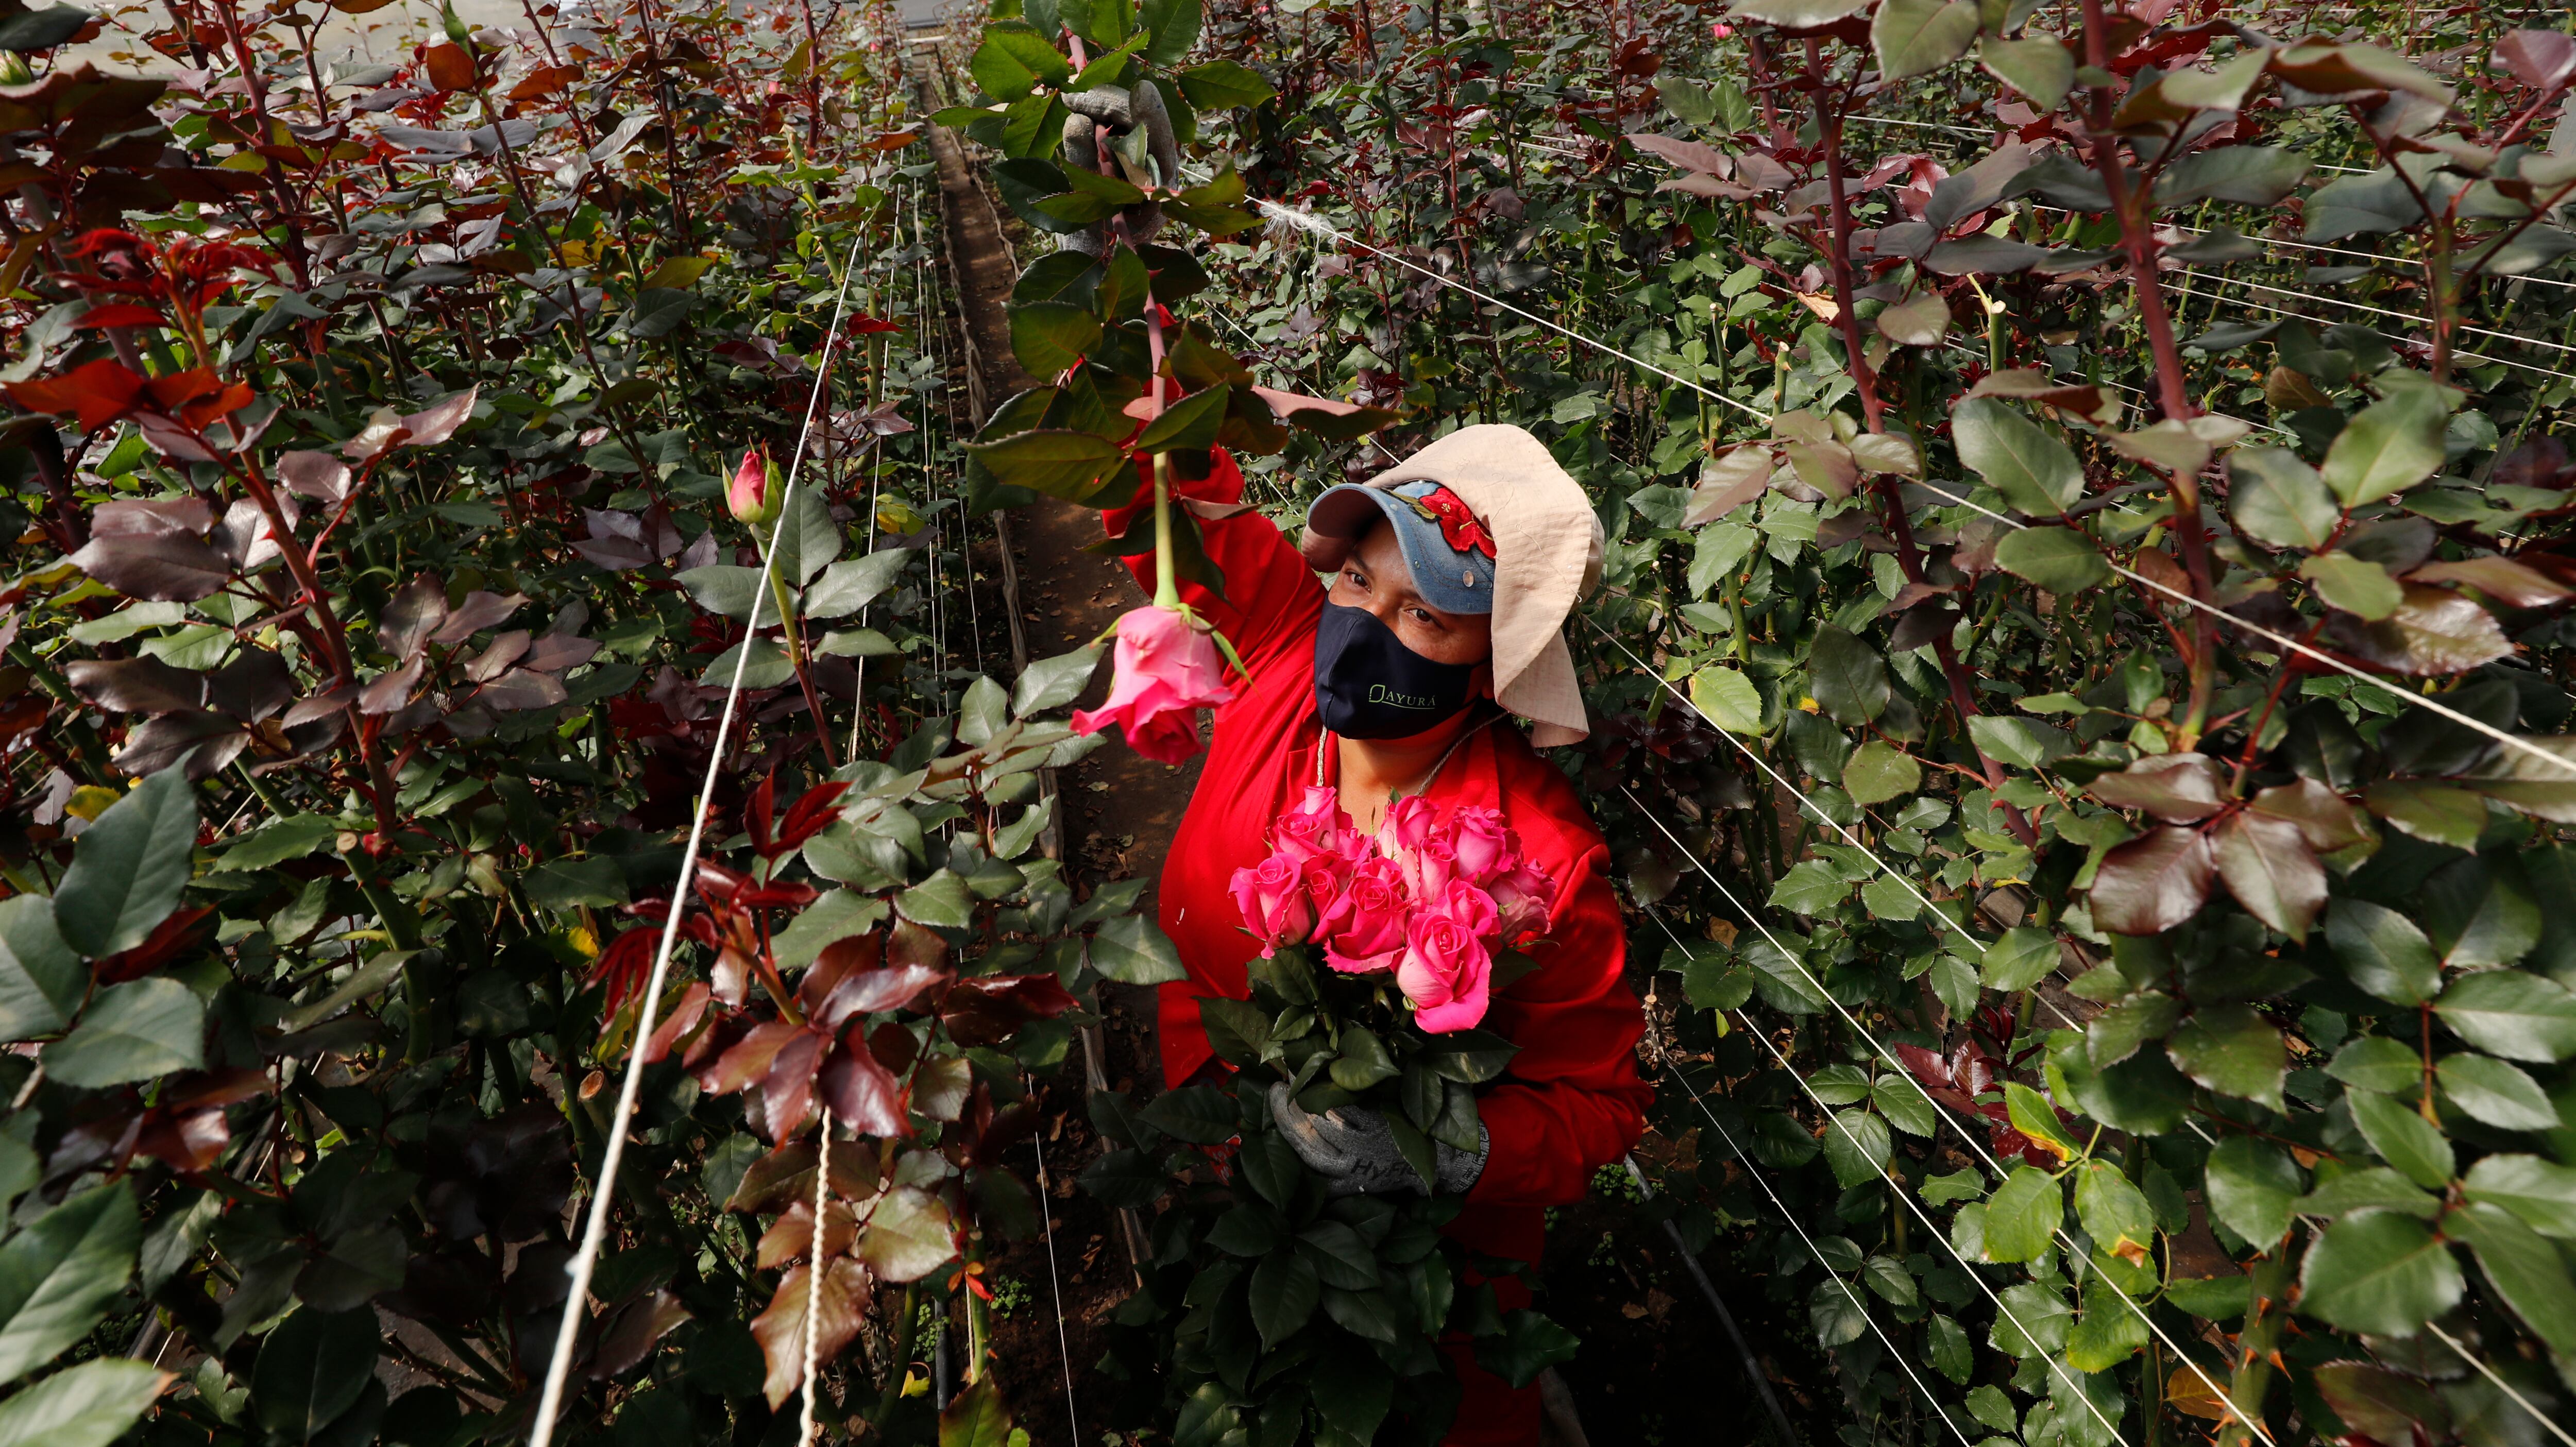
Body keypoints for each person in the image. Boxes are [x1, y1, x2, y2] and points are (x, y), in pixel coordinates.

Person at [1099, 423, 1652, 1447]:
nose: (1362, 625)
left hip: (1424, 1278)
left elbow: (1601, 1106)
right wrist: (1149, 387)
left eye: (1426, 616)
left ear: (1496, 656)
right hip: (1232, 1182)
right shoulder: (1277, 657)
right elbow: (1175, 499)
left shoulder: (1538, 866)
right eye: (1356, 579)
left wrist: (1450, 1149)